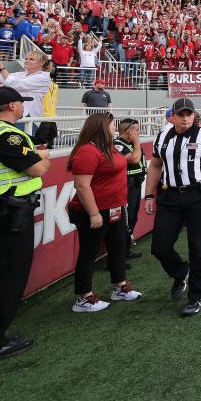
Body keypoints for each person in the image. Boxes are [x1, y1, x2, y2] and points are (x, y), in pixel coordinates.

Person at [0, 87, 50, 366]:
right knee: (4, 278)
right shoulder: (5, 134)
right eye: (21, 103)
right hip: (5, 216)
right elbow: (38, 167)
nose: (22, 108)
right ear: (11, 105)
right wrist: (41, 155)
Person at [144, 98, 201, 317]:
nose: (185, 118)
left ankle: (195, 296)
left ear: (194, 115)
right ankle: (181, 272)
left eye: (189, 114)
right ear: (172, 116)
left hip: (197, 197)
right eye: (181, 114)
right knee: (159, 247)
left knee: (197, 247)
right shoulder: (163, 136)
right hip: (170, 196)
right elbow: (155, 165)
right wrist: (149, 194)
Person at [67, 112, 142, 313]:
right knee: (88, 253)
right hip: (93, 211)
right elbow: (82, 186)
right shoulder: (87, 151)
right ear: (101, 127)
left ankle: (120, 287)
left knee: (118, 248)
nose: (115, 128)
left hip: (115, 209)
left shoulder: (109, 147)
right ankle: (84, 297)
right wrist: (93, 213)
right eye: (112, 125)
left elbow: (131, 160)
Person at [0, 50, 51, 121]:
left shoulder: (43, 77)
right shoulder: (21, 74)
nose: (27, 61)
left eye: (31, 59)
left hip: (29, 117)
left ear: (41, 63)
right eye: (26, 59)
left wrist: (1, 67)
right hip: (12, 115)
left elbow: (16, 84)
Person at [114, 118, 147, 259]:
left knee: (132, 218)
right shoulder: (118, 145)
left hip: (136, 184)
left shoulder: (131, 143)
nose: (139, 133)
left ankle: (126, 251)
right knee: (126, 220)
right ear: (130, 131)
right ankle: (119, 255)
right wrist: (137, 143)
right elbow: (133, 159)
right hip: (128, 185)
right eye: (137, 130)